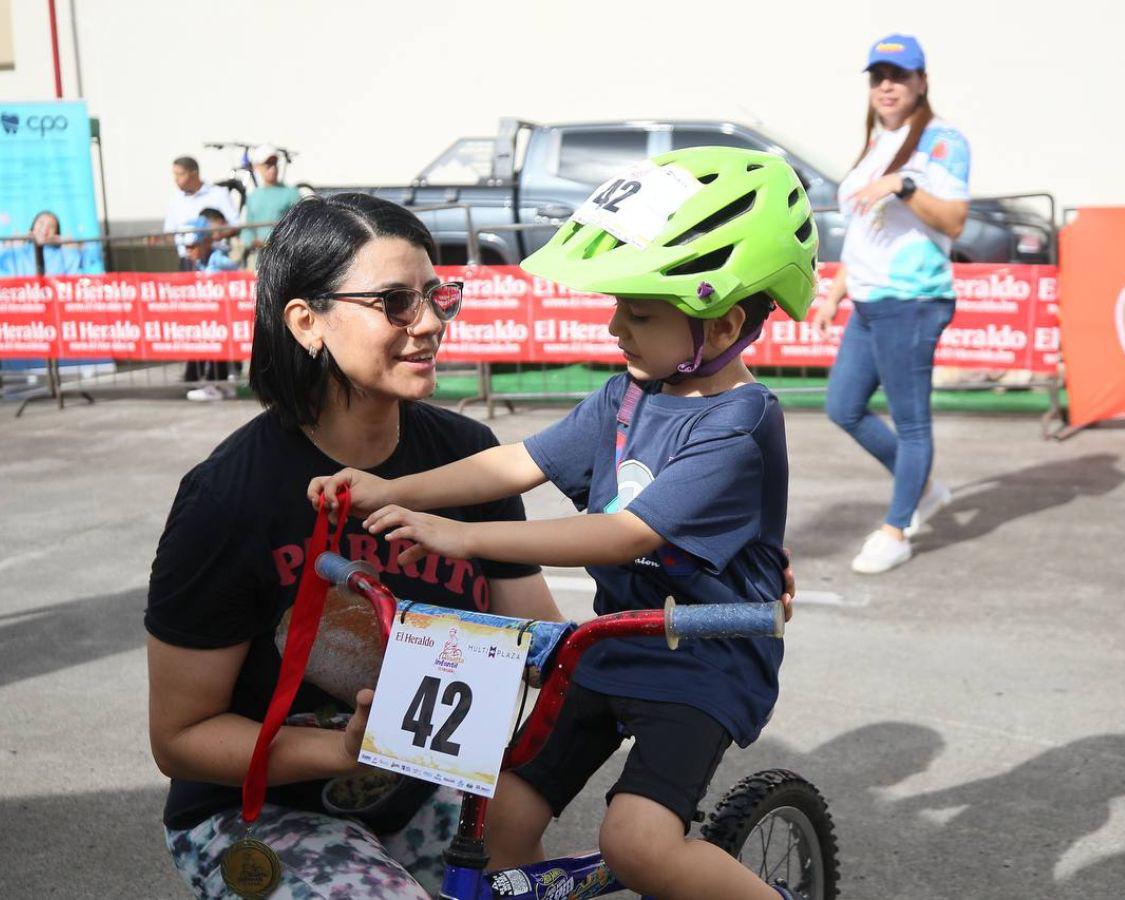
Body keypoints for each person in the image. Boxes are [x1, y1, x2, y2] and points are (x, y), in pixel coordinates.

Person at [309, 147, 819, 899]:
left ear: (725, 322)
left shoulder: (738, 425)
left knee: (638, 844)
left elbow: (626, 534)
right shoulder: (625, 396)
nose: (615, 326)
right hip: (613, 642)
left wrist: (465, 535)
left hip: (703, 662)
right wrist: (390, 490)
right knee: (501, 819)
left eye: (639, 313)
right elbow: (515, 462)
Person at [145, 193, 565, 899]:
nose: (430, 322)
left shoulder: (468, 458)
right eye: (395, 301)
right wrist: (340, 751)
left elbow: (541, 643)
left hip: (421, 795)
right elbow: (180, 737)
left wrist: (680, 579)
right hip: (255, 814)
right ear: (307, 322)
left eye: (435, 296)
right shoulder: (228, 498)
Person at [812, 33, 969, 574]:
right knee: (843, 407)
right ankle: (922, 489)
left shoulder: (942, 141)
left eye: (899, 75)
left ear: (921, 82)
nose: (886, 85)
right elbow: (865, 232)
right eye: (878, 76)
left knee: (912, 424)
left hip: (913, 301)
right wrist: (836, 292)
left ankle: (897, 529)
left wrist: (902, 186)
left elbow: (953, 221)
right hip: (871, 300)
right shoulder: (881, 142)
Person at [181, 210, 242, 401]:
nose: (188, 251)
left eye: (193, 246)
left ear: (206, 242)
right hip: (206, 314)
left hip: (223, 313)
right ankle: (205, 382)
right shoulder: (197, 262)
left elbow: (240, 275)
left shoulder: (219, 260)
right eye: (186, 246)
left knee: (220, 348)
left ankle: (216, 384)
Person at [162, 155, 239, 269]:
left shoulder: (218, 194)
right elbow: (169, 233)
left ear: (194, 174)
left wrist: (211, 236)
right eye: (175, 174)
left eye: (181, 174)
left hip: (215, 259)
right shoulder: (175, 201)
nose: (176, 179)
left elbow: (235, 225)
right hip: (187, 262)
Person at [241, 143, 302, 269]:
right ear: (257, 167)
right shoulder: (253, 196)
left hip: (285, 256)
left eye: (274, 164)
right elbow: (247, 228)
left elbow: (300, 224)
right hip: (261, 259)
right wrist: (253, 242)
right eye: (268, 165)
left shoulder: (291, 193)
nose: (273, 168)